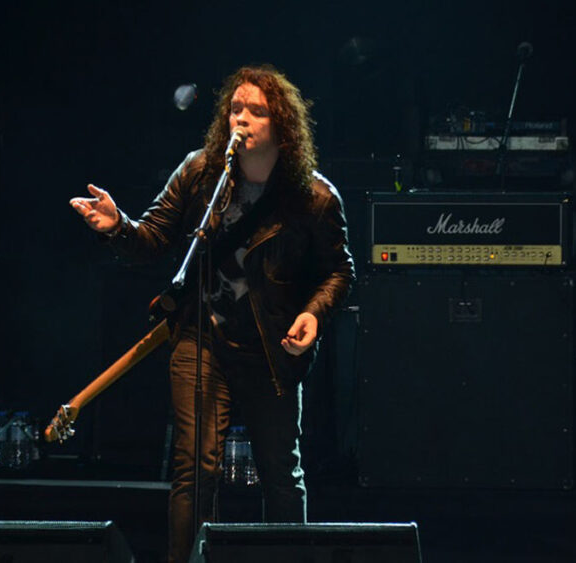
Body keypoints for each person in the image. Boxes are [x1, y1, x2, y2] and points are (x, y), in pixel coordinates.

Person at [70, 65, 354, 563]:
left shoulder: (314, 196)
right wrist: (117, 227)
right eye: (235, 109)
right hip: (201, 338)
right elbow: (153, 239)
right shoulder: (200, 172)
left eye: (256, 111)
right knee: (194, 469)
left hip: (272, 349)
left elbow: (339, 271)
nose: (240, 119)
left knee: (280, 474)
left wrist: (313, 313)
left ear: (282, 126)